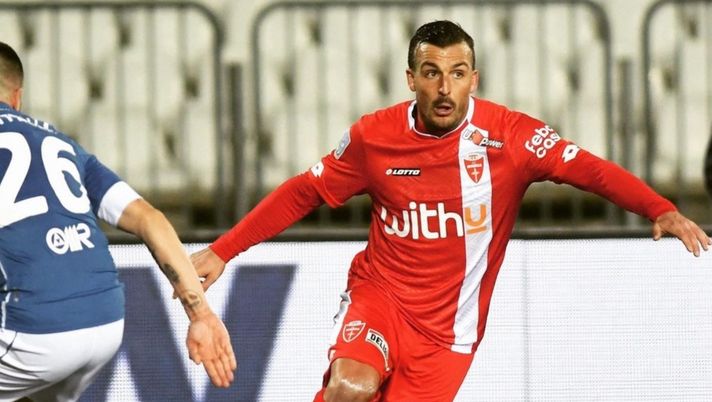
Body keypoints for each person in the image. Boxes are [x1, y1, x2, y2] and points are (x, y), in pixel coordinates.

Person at [191, 20, 710, 401]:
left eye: (457, 74)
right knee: (350, 386)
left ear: (473, 79)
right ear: (411, 78)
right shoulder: (375, 138)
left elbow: (589, 168)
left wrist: (658, 208)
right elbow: (304, 191)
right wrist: (223, 249)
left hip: (449, 333)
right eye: (432, 73)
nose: (444, 89)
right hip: (381, 297)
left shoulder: (511, 138)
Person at [0, 42, 236, 401]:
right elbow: (150, 219)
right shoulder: (62, 144)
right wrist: (201, 314)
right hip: (105, 324)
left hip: (31, 331)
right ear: (17, 97)